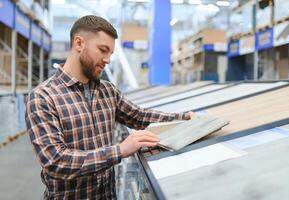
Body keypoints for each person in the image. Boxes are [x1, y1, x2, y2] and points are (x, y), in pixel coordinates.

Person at [25, 15, 196, 199]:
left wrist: (184, 118)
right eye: (103, 50)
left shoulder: (107, 91)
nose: (107, 60)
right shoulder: (43, 97)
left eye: (111, 54)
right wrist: (120, 150)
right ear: (79, 43)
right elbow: (55, 161)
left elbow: (140, 117)